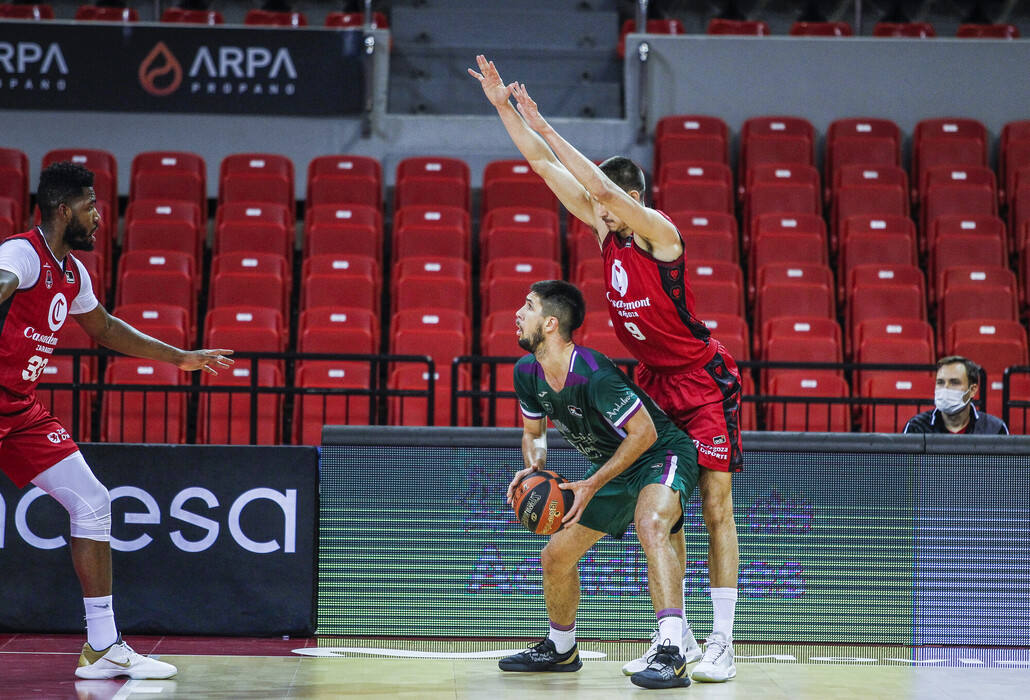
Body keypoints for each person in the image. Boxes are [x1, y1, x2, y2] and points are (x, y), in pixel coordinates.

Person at [470, 55, 741, 682]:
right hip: (652, 381)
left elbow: (599, 188)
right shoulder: (607, 233)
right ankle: (675, 635)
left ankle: (723, 640)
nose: (601, 213)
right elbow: (544, 167)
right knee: (661, 511)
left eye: (610, 204)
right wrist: (508, 110)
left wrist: (547, 119)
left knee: (715, 505)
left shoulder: (661, 235)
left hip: (701, 379)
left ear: (634, 201)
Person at [0, 162, 234, 679]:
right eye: (90, 206)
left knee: (93, 501)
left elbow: (103, 327)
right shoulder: (22, 253)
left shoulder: (72, 272)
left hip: (18, 410)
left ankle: (103, 648)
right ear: (64, 210)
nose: (99, 216)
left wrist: (181, 358)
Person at [502, 280, 700, 690]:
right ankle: (562, 648)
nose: (518, 314)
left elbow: (643, 434)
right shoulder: (527, 372)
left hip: (660, 454)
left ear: (551, 323)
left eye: (528, 306)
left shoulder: (594, 373)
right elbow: (533, 432)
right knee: (555, 557)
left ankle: (672, 652)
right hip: (611, 469)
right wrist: (535, 468)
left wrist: (591, 484)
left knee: (651, 526)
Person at [903, 356, 1009, 434]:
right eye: (940, 382)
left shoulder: (994, 429)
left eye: (954, 382)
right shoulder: (916, 428)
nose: (946, 388)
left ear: (972, 390)